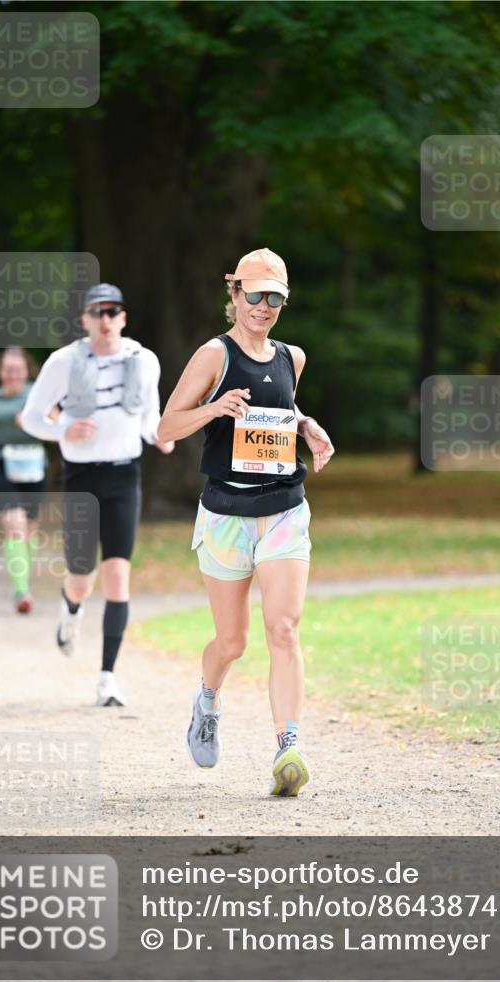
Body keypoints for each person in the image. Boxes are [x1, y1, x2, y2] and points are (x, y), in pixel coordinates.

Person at [157, 248, 334, 796]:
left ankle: (288, 748)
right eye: (253, 294)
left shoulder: (292, 356)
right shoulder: (214, 354)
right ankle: (207, 700)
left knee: (283, 629)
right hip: (227, 514)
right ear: (233, 294)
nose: (263, 306)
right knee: (231, 642)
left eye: (274, 297)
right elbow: (167, 427)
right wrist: (214, 408)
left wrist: (306, 425)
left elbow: (279, 410)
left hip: (284, 507)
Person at [21, 283, 174, 706]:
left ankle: (107, 676)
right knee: (81, 578)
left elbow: (148, 417)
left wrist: (161, 437)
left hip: (125, 476)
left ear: (124, 317)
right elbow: (31, 416)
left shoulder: (145, 361)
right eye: (97, 312)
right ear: (85, 319)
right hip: (80, 478)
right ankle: (70, 612)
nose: (105, 320)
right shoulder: (63, 361)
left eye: (113, 311)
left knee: (117, 575)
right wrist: (62, 430)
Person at [0, 349, 47, 613]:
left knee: (30, 530)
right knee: (14, 527)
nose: (12, 374)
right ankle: (22, 591)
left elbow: (59, 425)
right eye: (8, 369)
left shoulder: (38, 394)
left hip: (34, 464)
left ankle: (24, 580)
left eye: (18, 369)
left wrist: (33, 423)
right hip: (0, 462)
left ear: (27, 370)